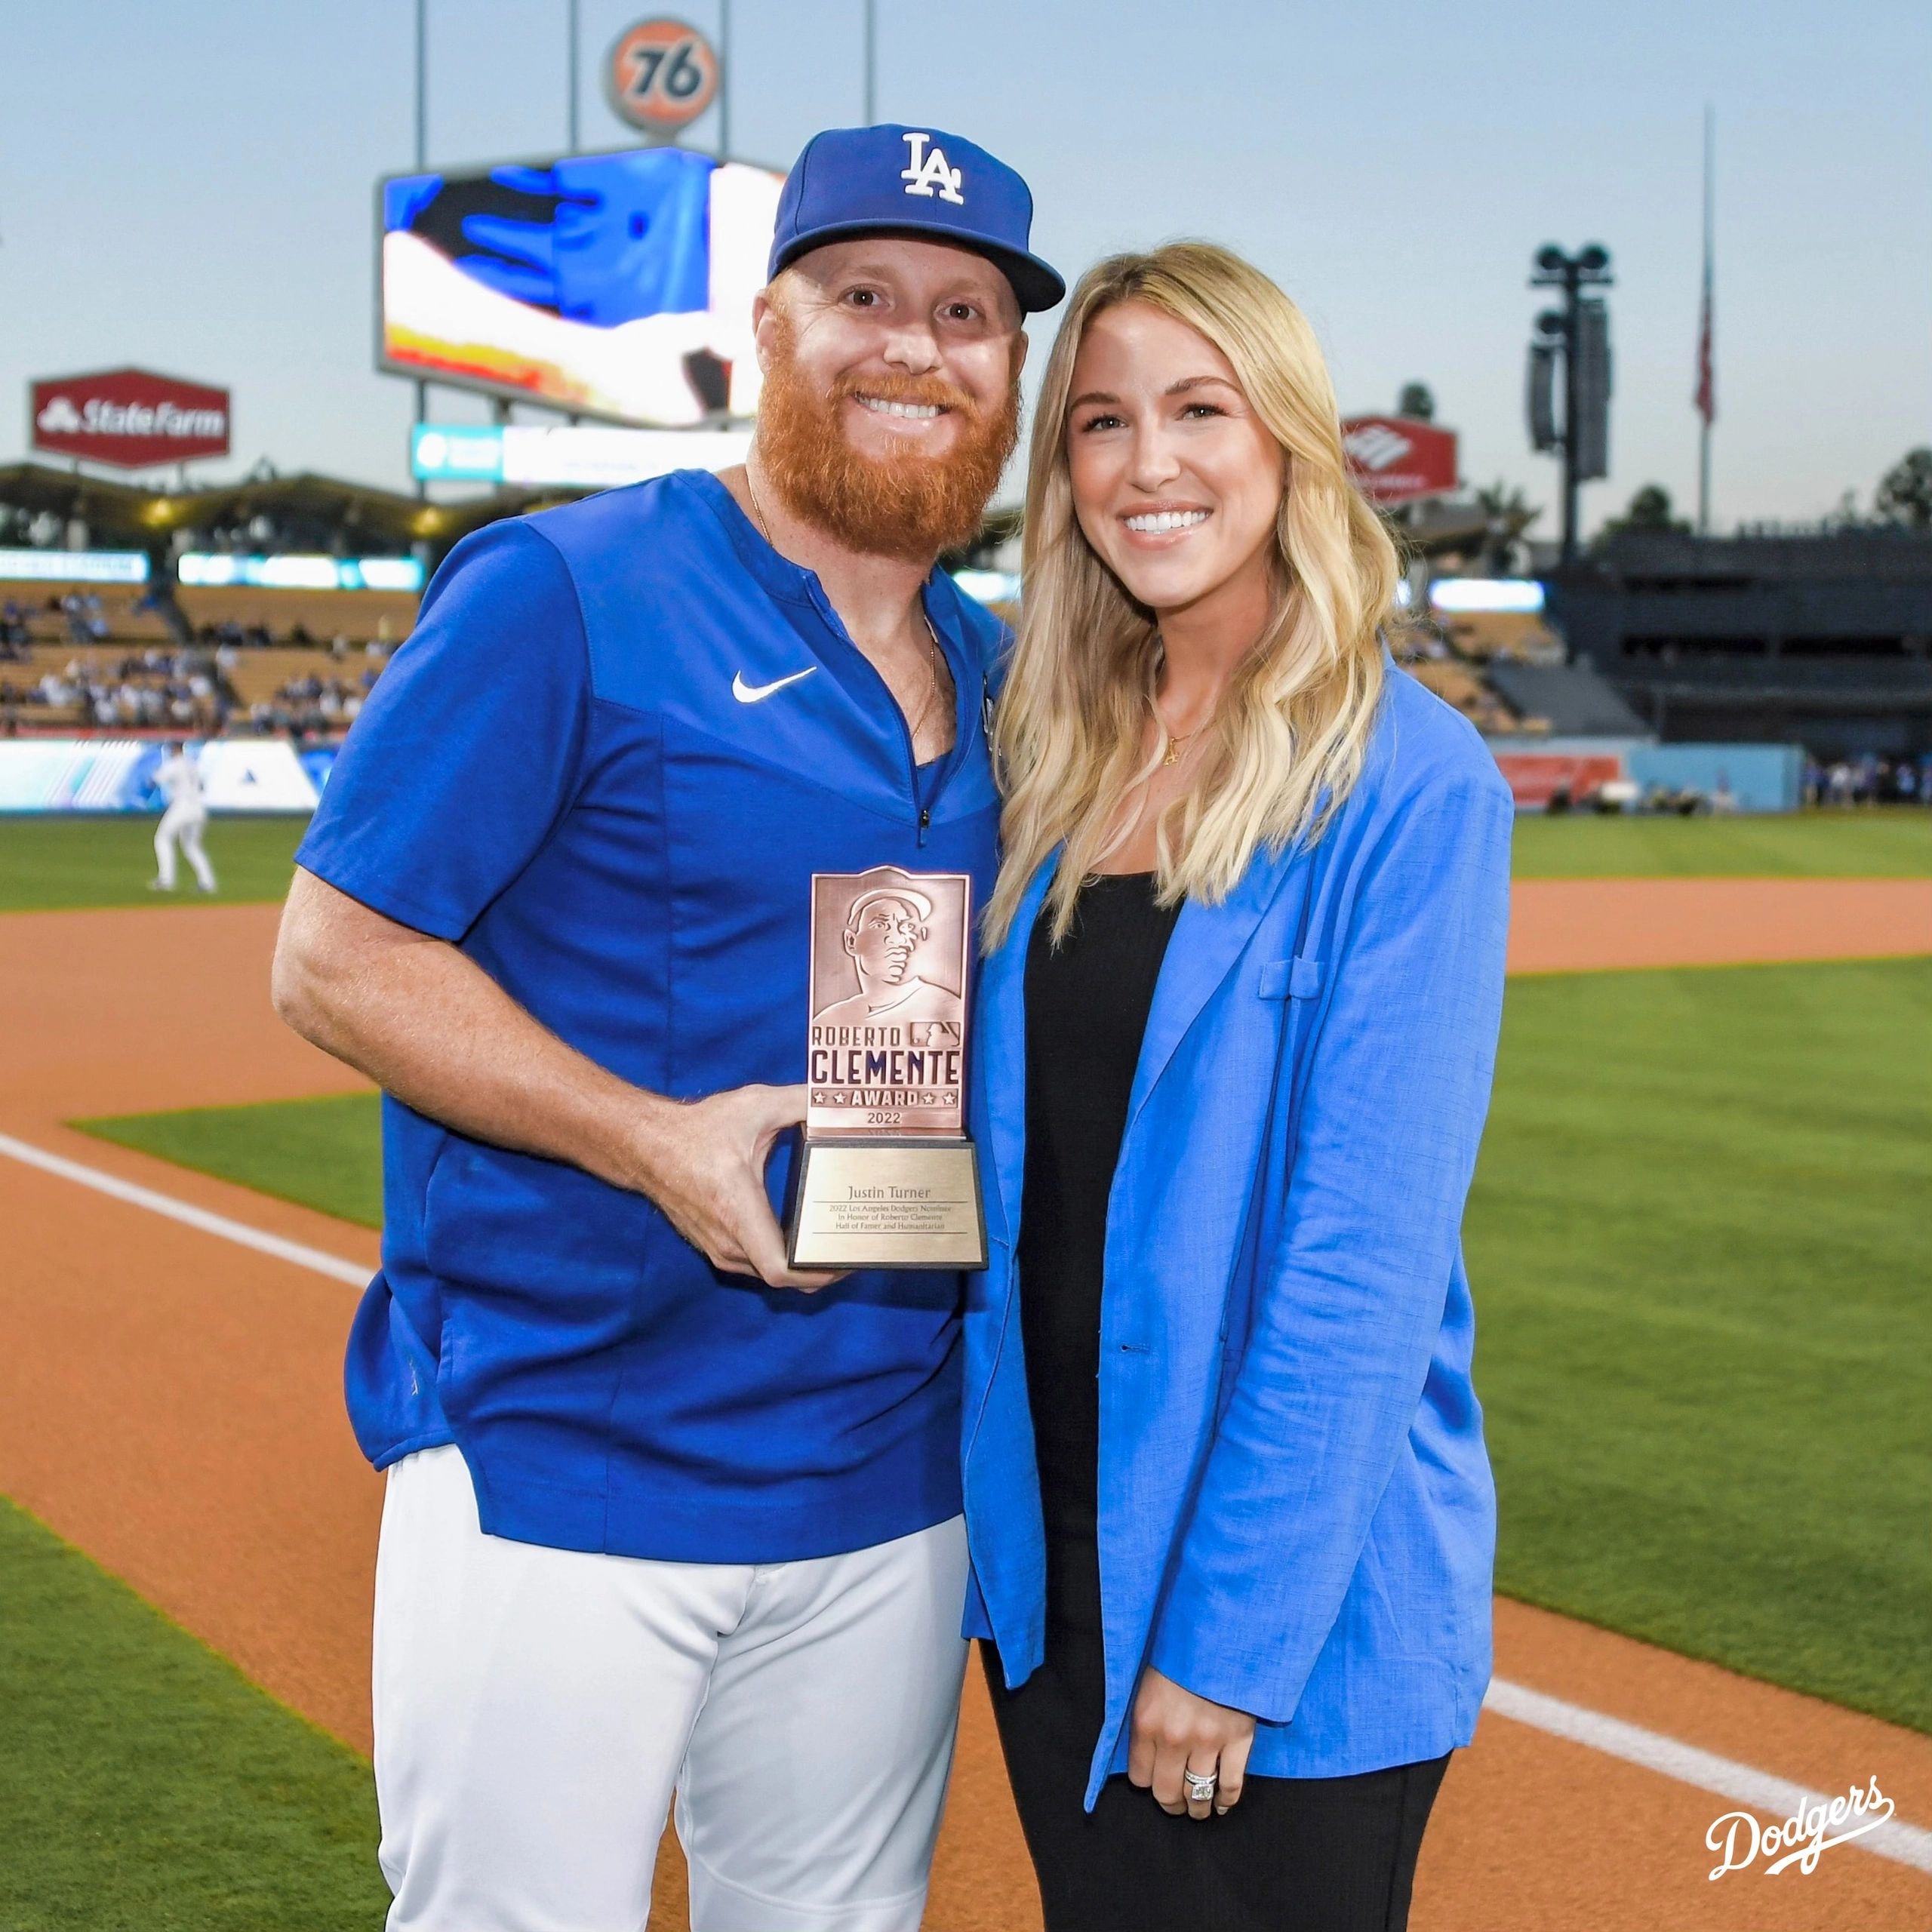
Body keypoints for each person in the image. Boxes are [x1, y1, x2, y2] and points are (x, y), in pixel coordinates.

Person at [270, 124, 1062, 1932]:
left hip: (883, 1465)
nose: (912, 347)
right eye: (860, 296)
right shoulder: (566, 587)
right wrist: (647, 1134)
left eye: (964, 314)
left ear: (1006, 374)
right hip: (566, 1447)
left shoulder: (1009, 670)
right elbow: (332, 954)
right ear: (765, 331)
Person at [960, 244, 1513, 1932]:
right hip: (1054, 1567)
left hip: (1274, 1609)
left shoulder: (1405, 776)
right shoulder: (1042, 744)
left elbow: (1361, 1264)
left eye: (1199, 410)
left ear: (1285, 441)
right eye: (1101, 422)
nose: (1149, 465)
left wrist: (1224, 1638)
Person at [812, 882, 966, 1031]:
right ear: (851, 941)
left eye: (906, 927)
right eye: (880, 925)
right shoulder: (827, 1021)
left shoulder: (946, 1006)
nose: (897, 939)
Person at [148, 739, 217, 894]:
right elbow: (202, 785)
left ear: (174, 749)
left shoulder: (174, 764)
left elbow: (153, 781)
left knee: (162, 839)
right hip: (198, 808)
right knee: (192, 846)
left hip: (182, 806)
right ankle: (207, 882)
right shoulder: (191, 764)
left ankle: (166, 880)